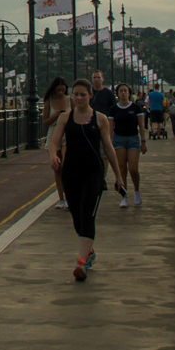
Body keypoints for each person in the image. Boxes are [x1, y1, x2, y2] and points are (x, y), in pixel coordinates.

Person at [48, 78, 124, 281]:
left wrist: (118, 175)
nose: (79, 98)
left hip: (93, 172)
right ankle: (89, 252)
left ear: (90, 96)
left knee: (87, 213)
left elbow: (108, 148)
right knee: (77, 217)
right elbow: (54, 142)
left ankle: (81, 262)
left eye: (83, 95)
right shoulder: (65, 118)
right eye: (76, 95)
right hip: (71, 172)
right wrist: (53, 156)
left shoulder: (100, 119)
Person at [86, 70, 127, 200]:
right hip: (89, 125)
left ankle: (102, 178)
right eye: (94, 77)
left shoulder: (108, 94)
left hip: (104, 126)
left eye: (98, 77)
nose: (96, 80)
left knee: (104, 154)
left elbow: (113, 110)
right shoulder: (90, 93)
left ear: (102, 79)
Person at [105, 82, 147, 207]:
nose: (123, 93)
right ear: (117, 94)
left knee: (133, 169)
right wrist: (108, 143)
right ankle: (124, 196)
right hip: (119, 140)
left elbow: (141, 125)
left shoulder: (136, 108)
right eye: (121, 91)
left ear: (129, 93)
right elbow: (110, 128)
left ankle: (137, 191)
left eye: (125, 91)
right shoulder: (113, 109)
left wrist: (143, 141)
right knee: (121, 169)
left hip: (133, 139)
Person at [41, 77, 70, 208]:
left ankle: (69, 197)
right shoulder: (49, 101)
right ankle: (61, 199)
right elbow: (45, 122)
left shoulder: (70, 101)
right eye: (58, 90)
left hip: (68, 133)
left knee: (66, 166)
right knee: (57, 168)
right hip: (54, 133)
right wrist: (57, 115)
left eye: (63, 90)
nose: (60, 93)